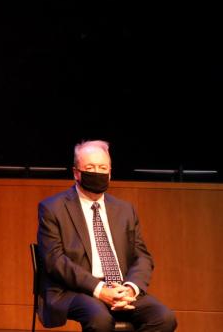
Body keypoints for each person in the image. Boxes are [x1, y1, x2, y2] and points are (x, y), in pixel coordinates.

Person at [36, 140, 177, 332]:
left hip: (120, 288)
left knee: (164, 318)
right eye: (90, 167)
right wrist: (100, 289)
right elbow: (55, 261)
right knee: (100, 319)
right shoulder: (53, 208)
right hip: (75, 290)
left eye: (103, 168)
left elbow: (142, 256)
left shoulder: (125, 210)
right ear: (76, 173)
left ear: (110, 173)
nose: (97, 173)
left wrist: (130, 288)